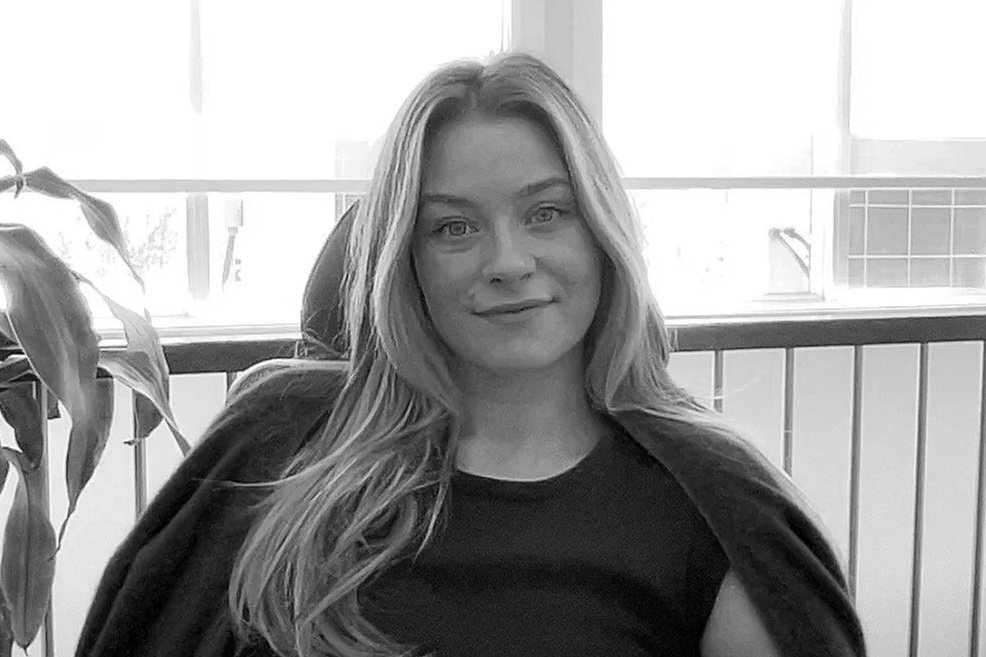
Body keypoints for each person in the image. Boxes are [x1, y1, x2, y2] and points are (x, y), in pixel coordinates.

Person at [75, 52, 868, 657]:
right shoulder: (278, 452)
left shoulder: (712, 512)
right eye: (454, 226)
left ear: (602, 232)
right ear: (404, 260)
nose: (508, 260)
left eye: (547, 212)